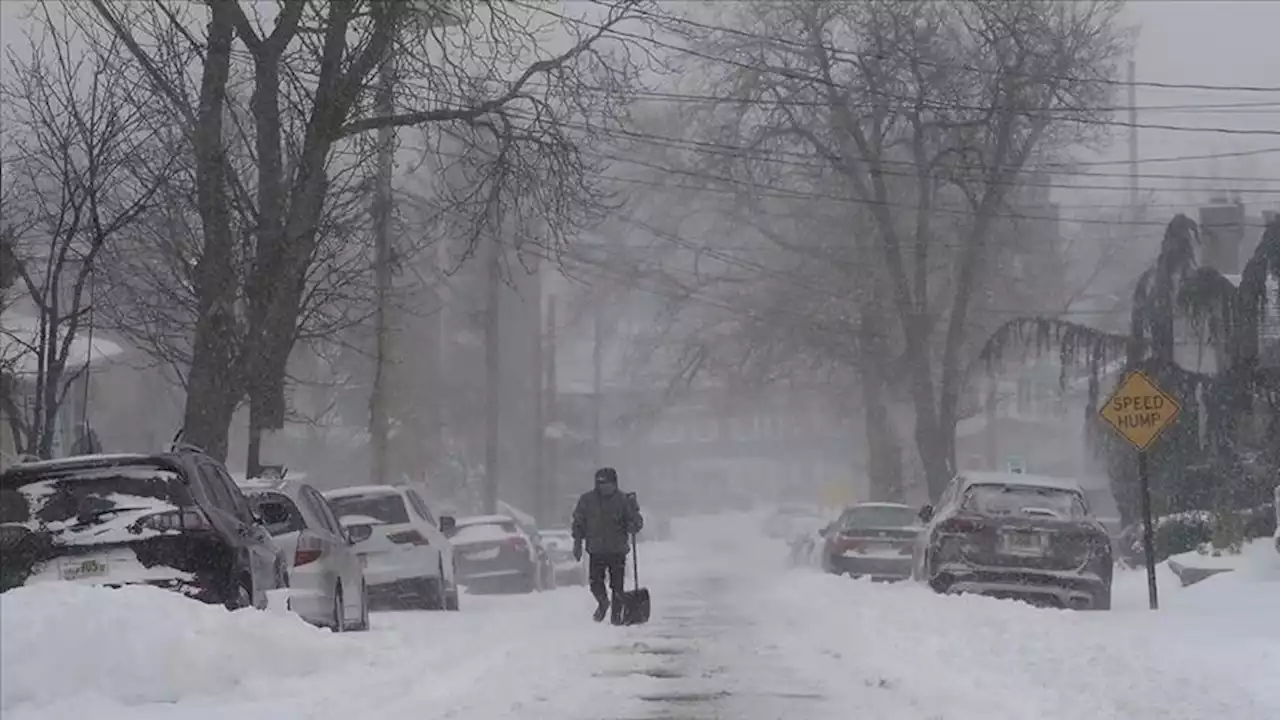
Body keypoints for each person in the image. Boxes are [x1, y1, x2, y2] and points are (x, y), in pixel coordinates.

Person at [571, 467, 643, 624]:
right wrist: (577, 543)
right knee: (595, 583)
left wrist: (633, 522)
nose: (603, 487)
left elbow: (636, 523)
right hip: (596, 550)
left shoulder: (623, 500)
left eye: (606, 483)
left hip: (617, 550)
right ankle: (603, 602)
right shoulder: (587, 500)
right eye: (600, 483)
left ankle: (616, 616)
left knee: (617, 586)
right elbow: (579, 523)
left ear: (614, 483)